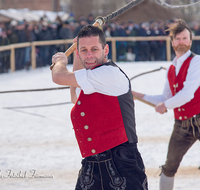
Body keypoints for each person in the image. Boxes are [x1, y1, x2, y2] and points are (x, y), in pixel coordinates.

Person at [51, 25, 148, 190]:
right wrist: (76, 55)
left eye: (94, 49)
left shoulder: (110, 74)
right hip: (91, 165)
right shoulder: (92, 75)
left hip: (121, 164)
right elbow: (76, 97)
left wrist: (60, 61)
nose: (89, 55)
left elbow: (59, 77)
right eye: (84, 50)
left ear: (106, 49)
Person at [132, 19, 200, 190]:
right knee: (169, 167)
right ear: (172, 42)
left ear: (190, 41)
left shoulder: (197, 62)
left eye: (185, 38)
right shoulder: (171, 69)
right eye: (178, 39)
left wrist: (165, 105)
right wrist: (135, 95)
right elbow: (164, 97)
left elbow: (187, 94)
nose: (181, 42)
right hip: (182, 125)